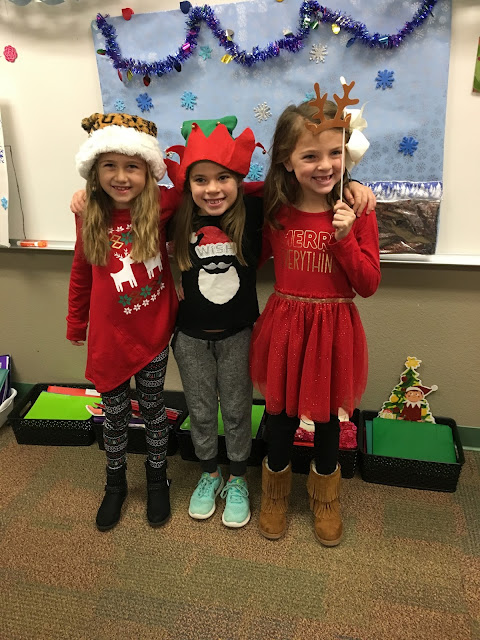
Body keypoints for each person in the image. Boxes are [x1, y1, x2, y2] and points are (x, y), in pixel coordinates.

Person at [249, 80, 381, 546]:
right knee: (280, 416)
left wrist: (345, 238)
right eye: (310, 156)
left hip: (333, 330)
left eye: (335, 153)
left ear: (347, 154)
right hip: (286, 327)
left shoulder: (357, 210)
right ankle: (275, 493)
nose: (325, 165)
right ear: (287, 160)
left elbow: (368, 285)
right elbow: (222, 194)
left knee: (328, 421)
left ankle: (326, 498)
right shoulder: (274, 209)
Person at [67, 112, 179, 531]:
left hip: (152, 333)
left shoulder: (163, 205)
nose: (120, 176)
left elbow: (193, 180)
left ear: (148, 170)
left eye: (133, 166)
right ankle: (115, 483)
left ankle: (157, 479)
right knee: (113, 416)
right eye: (109, 165)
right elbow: (81, 271)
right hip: (109, 339)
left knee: (153, 408)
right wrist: (75, 322)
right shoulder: (89, 213)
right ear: (94, 171)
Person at [164, 117, 264, 528]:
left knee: (238, 410)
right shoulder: (177, 215)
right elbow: (129, 202)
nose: (212, 189)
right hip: (189, 337)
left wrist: (354, 183)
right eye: (200, 179)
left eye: (223, 177)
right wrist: (87, 195)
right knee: (202, 410)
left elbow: (300, 187)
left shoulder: (252, 211)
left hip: (238, 334)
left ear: (239, 179)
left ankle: (238, 478)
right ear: (187, 184)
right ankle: (209, 473)